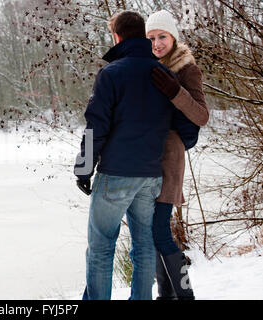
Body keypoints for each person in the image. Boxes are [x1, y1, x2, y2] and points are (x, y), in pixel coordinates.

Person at [74, 11, 184, 300]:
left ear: (118, 37)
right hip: (150, 176)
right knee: (145, 246)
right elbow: (182, 125)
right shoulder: (165, 76)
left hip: (116, 174)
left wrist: (83, 169)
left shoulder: (111, 73)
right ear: (143, 36)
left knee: (101, 248)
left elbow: (95, 127)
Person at [146, 10, 209, 300]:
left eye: (162, 37)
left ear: (173, 37)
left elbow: (201, 115)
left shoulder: (187, 69)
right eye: (151, 38)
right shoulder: (146, 67)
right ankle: (166, 295)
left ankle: (185, 296)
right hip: (148, 156)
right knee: (153, 230)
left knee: (158, 228)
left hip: (171, 156)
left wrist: (175, 91)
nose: (156, 43)